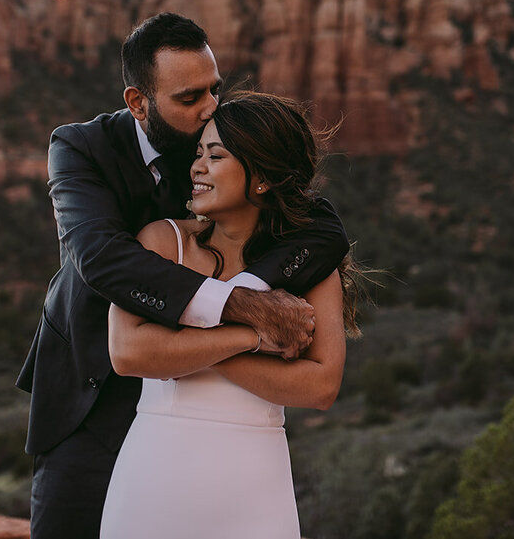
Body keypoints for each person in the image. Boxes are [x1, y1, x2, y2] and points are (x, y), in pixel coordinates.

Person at [16, 13, 350, 539]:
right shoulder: (80, 148)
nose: (210, 108)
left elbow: (324, 229)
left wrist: (251, 291)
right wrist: (244, 311)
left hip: (206, 411)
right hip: (87, 391)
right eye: (189, 97)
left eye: (214, 89)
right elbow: (100, 256)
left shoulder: (215, 146)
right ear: (138, 103)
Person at [100, 91, 367, 539]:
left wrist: (180, 345)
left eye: (215, 155)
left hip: (255, 487)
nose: (196, 167)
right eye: (198, 153)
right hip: (154, 480)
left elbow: (321, 386)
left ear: (261, 178)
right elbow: (128, 353)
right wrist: (251, 335)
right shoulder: (164, 242)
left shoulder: (309, 269)